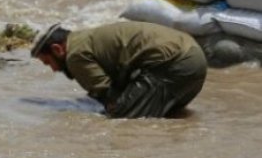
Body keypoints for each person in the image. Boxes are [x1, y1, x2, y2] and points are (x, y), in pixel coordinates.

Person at [30, 21, 207, 118]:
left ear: (57, 49)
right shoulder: (84, 38)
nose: (53, 69)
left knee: (122, 122)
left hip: (174, 64)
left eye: (48, 62)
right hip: (195, 59)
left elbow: (107, 95)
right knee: (170, 118)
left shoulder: (75, 55)